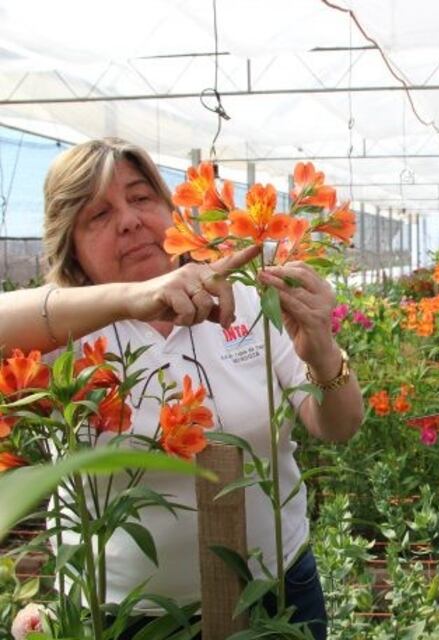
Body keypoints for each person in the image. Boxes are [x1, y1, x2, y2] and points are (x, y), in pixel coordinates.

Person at [0, 138, 364, 639]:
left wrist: (321, 348)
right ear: (72, 246)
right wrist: (131, 299)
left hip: (277, 590)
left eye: (141, 197)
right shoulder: (60, 334)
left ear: (172, 212)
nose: (128, 220)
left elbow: (339, 425)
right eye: (98, 215)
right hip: (122, 616)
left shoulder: (250, 300)